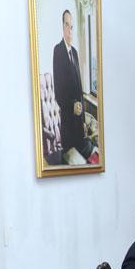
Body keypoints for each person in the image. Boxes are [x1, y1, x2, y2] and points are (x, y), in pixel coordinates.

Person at [52, 9, 88, 161]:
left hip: (79, 124)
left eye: (71, 27)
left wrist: (84, 120)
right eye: (67, 25)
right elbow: (58, 92)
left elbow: (79, 89)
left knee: (87, 156)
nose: (70, 30)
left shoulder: (75, 52)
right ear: (62, 27)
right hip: (68, 125)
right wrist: (71, 106)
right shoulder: (58, 51)